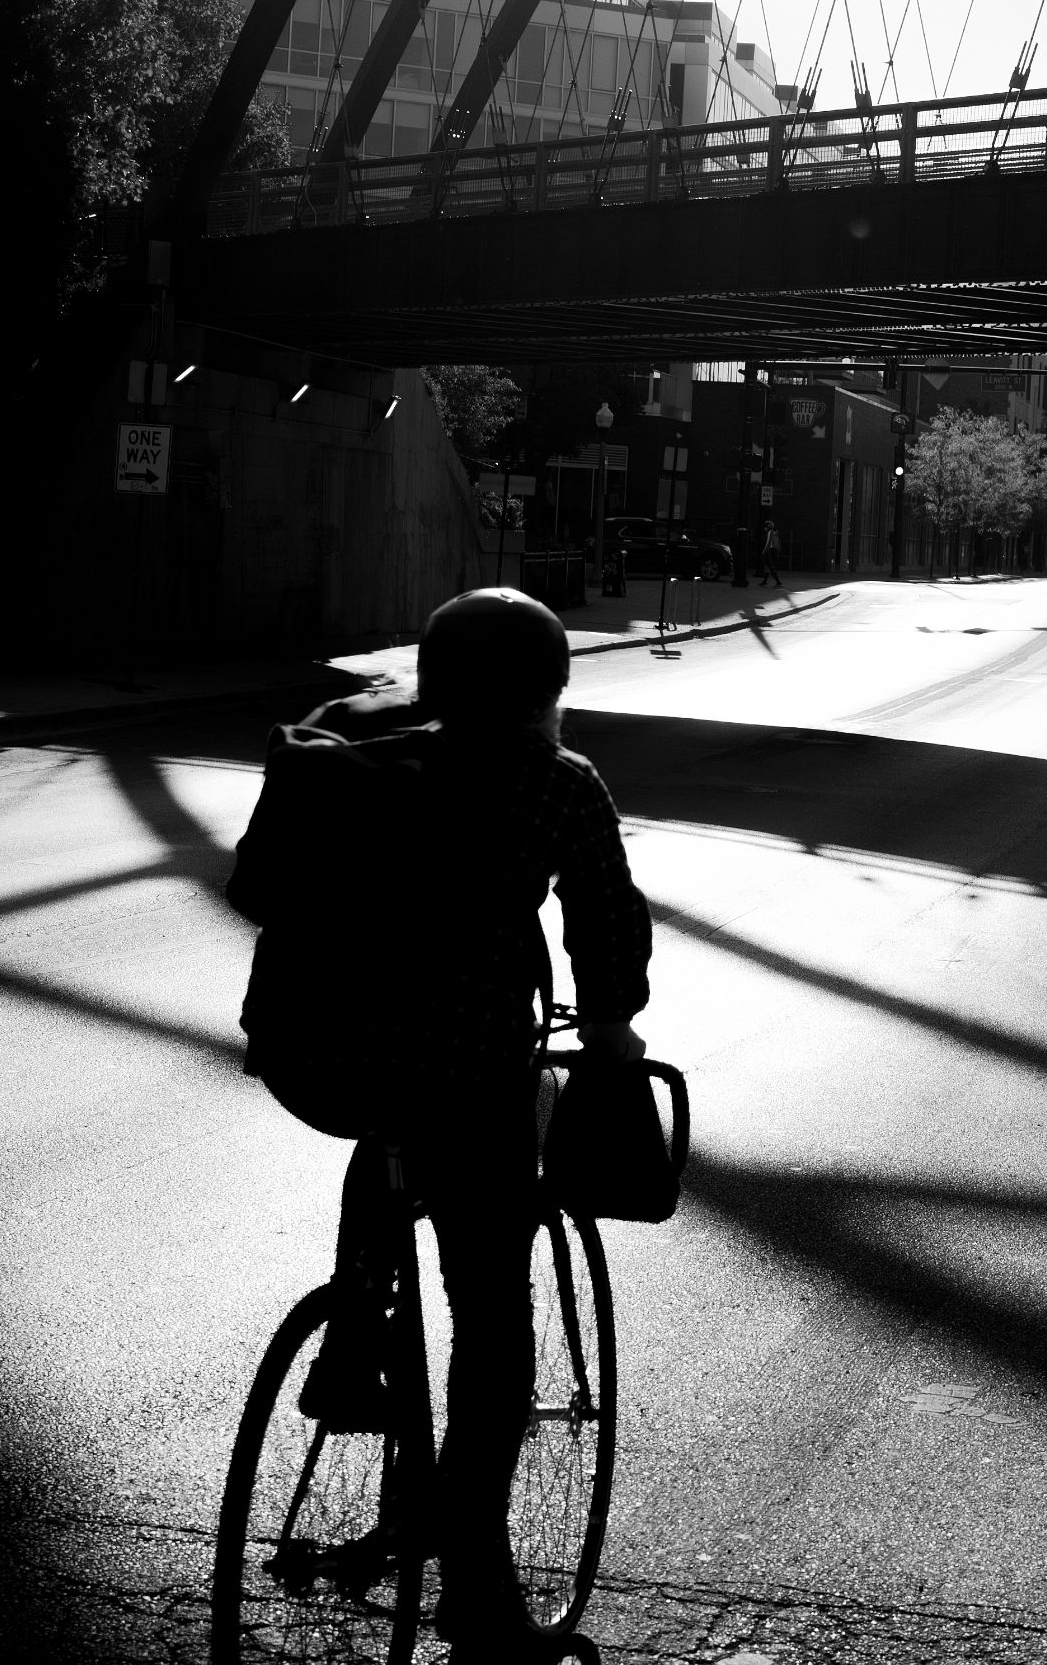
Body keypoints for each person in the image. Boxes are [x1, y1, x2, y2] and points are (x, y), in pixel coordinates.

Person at [227, 588, 648, 1663]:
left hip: (308, 1054)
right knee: (493, 1328)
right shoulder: (559, 784)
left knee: (386, 1119)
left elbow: (257, 888)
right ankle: (478, 1593)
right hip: (466, 1073)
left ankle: (357, 1328)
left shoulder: (360, 755)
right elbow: (606, 940)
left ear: (435, 679)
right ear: (552, 689)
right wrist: (612, 1042)